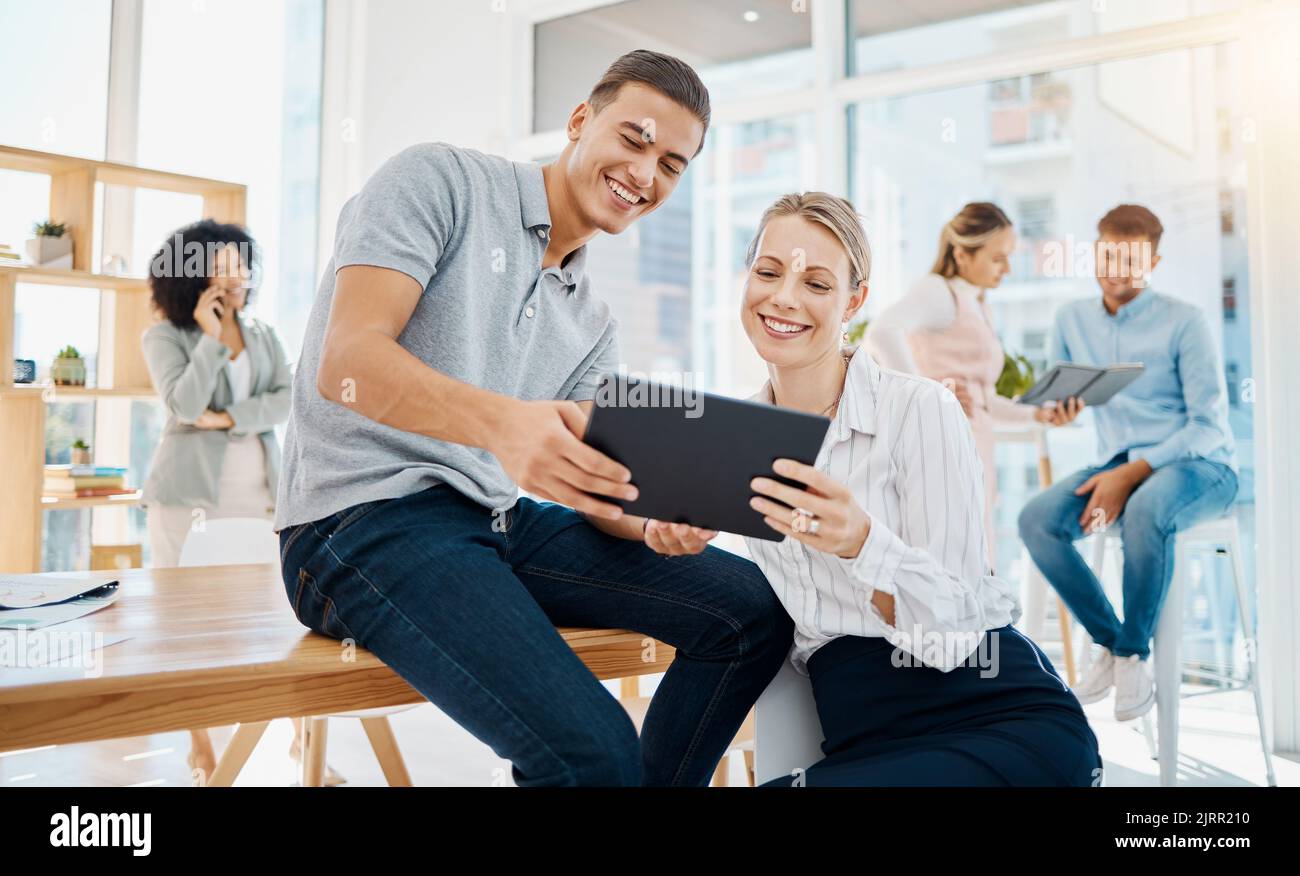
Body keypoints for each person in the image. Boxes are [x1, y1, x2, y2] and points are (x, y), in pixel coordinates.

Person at [275, 50, 793, 787]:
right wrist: (505, 426)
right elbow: (348, 365)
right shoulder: (438, 179)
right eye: (635, 140)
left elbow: (594, 482)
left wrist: (649, 523)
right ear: (581, 120)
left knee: (751, 613)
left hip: (495, 521)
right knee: (594, 756)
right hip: (359, 520)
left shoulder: (591, 319)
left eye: (673, 164)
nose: (646, 175)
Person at [705, 191, 1100, 786]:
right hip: (863, 737)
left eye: (816, 283)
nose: (783, 297)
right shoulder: (735, 436)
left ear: (852, 302)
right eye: (767, 272)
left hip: (999, 716)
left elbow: (950, 637)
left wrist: (862, 542)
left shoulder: (920, 409)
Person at [1018, 205, 1238, 722]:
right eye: (1107, 254)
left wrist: (1132, 472)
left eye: (1131, 258)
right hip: (1115, 463)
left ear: (1153, 261)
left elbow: (1208, 426)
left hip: (1201, 465)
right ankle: (1115, 645)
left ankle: (1133, 652)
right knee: (1036, 521)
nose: (1116, 268)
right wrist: (1057, 412)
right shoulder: (1070, 319)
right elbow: (1061, 397)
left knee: (1145, 512)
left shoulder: (1186, 321)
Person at [140, 219, 333, 781]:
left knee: (277, 616)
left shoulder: (264, 334)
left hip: (261, 493)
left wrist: (225, 418)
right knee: (185, 626)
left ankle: (303, 738)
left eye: (242, 267)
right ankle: (200, 743)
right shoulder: (166, 337)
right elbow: (182, 404)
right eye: (222, 268)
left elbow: (282, 402)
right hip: (186, 498)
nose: (236, 278)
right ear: (192, 276)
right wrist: (208, 340)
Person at [864, 202, 1080, 561]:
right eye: (998, 258)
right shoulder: (938, 292)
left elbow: (983, 399)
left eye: (1010, 257)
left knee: (972, 551)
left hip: (975, 443)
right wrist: (925, 392)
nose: (1008, 269)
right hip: (940, 443)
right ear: (962, 254)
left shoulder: (978, 305)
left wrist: (1039, 415)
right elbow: (881, 331)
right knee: (943, 554)